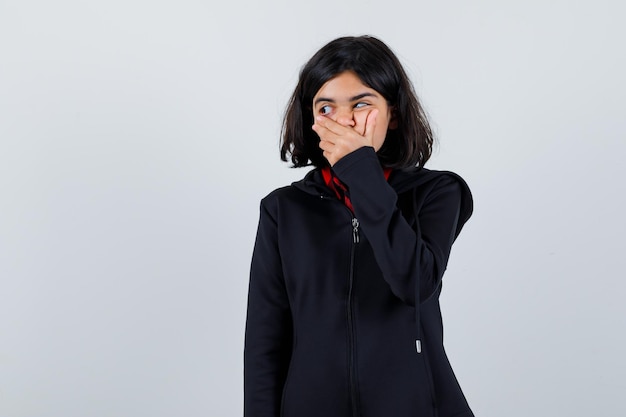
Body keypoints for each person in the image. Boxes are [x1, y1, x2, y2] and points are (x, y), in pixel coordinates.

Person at [244, 35, 474, 417]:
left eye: (362, 104)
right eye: (326, 107)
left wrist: (362, 172)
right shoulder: (283, 210)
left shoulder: (437, 192)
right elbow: (265, 342)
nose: (345, 121)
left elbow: (414, 283)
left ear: (394, 113)